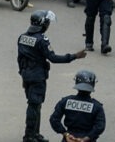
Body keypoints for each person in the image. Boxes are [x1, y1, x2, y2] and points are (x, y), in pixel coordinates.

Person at [17, 10, 87, 142]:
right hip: (37, 77)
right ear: (43, 24)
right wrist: (74, 56)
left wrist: (22, 76)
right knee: (34, 106)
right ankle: (29, 136)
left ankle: (35, 134)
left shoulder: (22, 37)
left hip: (27, 75)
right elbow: (53, 58)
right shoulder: (42, 40)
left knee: (36, 105)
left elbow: (20, 59)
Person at [50, 70, 106, 141]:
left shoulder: (66, 101)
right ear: (93, 84)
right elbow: (100, 127)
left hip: (69, 138)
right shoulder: (97, 106)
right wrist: (86, 138)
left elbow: (54, 119)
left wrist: (65, 134)